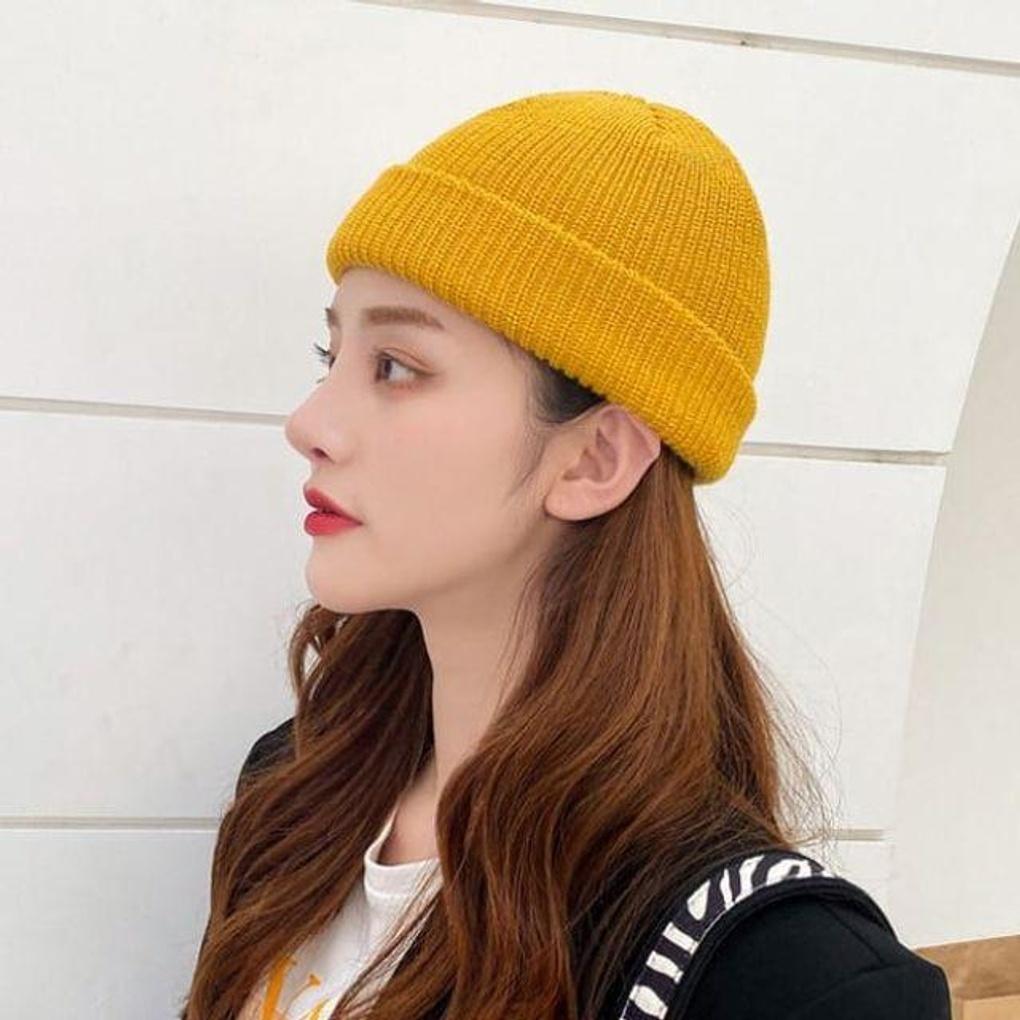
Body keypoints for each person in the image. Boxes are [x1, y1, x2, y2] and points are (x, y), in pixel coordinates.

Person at [179, 90, 950, 1020]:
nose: (310, 423)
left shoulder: (789, 982)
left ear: (596, 460)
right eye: (330, 353)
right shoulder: (297, 794)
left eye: (396, 367)